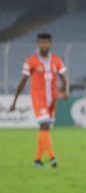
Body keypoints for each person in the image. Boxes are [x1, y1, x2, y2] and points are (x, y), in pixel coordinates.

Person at [9, 32, 70, 168]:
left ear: (50, 44)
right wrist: (15, 101)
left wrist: (66, 91)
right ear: (37, 44)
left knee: (45, 129)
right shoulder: (30, 61)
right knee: (44, 125)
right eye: (41, 42)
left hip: (53, 99)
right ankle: (53, 157)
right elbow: (23, 81)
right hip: (39, 98)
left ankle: (37, 160)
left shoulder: (57, 60)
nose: (44, 45)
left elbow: (64, 77)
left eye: (46, 42)